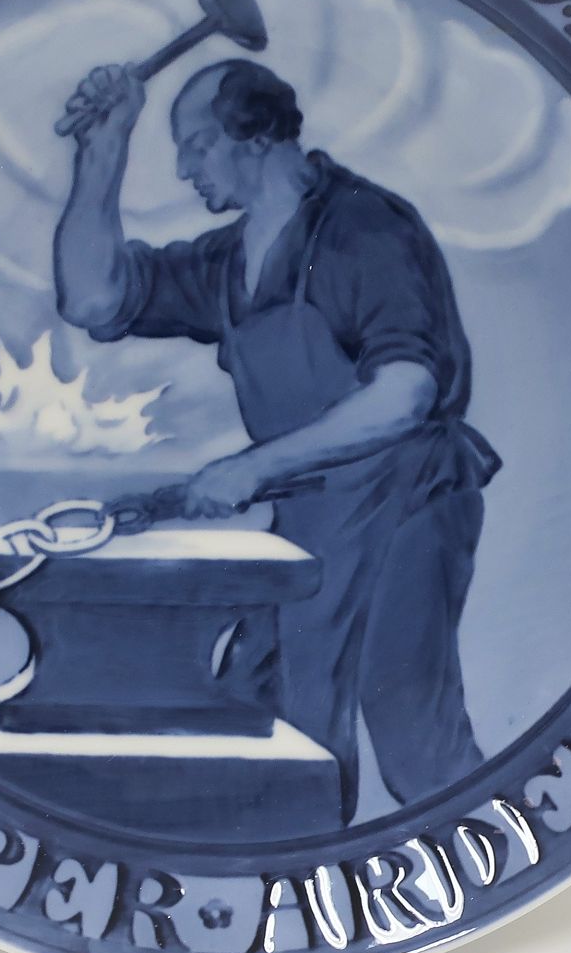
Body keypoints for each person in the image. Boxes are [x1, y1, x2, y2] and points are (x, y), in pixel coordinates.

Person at [54, 58, 500, 822]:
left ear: (256, 136)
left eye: (197, 146)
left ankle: (488, 853)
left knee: (411, 727)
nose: (185, 169)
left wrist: (252, 468)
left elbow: (405, 392)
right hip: (311, 520)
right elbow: (92, 298)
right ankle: (284, 881)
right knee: (257, 715)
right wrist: (104, 146)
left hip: (408, 506)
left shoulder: (363, 229)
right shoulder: (228, 261)